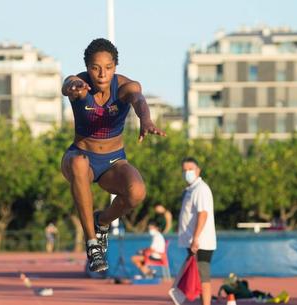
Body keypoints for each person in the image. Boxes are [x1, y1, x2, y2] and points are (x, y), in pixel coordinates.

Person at [61, 38, 166, 272]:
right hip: (81, 157)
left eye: (108, 68)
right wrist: (71, 88)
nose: (102, 74)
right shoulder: (80, 85)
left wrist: (146, 119)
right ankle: (92, 244)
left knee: (137, 193)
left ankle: (103, 221)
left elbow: (138, 99)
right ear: (87, 68)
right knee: (79, 163)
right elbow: (67, 84)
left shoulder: (125, 87)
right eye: (95, 68)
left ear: (115, 67)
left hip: (113, 162)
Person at [177, 157, 216, 305]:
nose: (187, 173)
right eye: (185, 170)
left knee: (203, 275)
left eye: (190, 169)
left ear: (198, 170)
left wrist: (196, 238)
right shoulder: (190, 190)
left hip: (201, 242)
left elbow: (203, 213)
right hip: (192, 241)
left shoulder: (201, 189)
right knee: (195, 277)